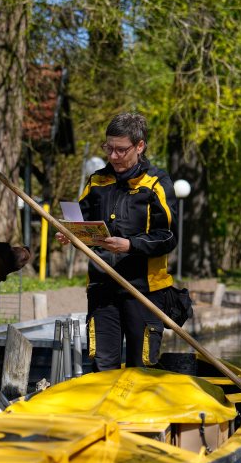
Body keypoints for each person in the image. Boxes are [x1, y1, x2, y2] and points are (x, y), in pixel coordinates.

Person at [57, 112, 178, 371]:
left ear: (140, 146)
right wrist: (69, 232)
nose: (112, 156)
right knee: (102, 365)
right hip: (102, 288)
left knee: (142, 367)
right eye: (108, 148)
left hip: (144, 291)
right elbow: (81, 221)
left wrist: (131, 245)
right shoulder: (97, 181)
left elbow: (168, 237)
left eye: (121, 150)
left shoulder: (157, 183)